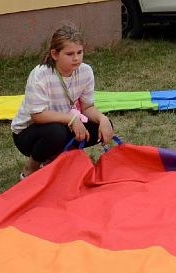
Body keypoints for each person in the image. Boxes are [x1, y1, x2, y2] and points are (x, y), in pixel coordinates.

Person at [11, 23, 114, 179]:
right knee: (56, 133)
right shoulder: (40, 75)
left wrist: (103, 119)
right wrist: (72, 120)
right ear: (54, 54)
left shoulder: (86, 71)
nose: (76, 58)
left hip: (64, 123)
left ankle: (61, 159)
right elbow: (37, 116)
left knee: (102, 125)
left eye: (80, 52)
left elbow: (87, 107)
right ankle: (31, 168)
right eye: (69, 54)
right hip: (28, 133)